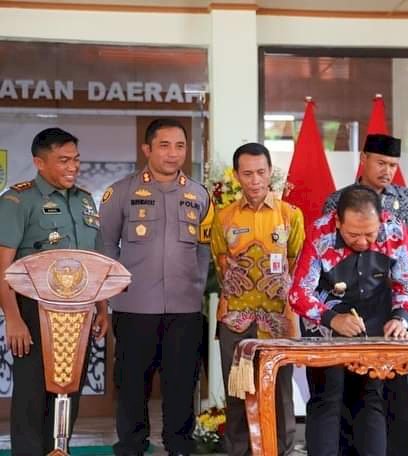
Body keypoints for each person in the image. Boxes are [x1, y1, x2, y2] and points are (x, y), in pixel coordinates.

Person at [97, 118, 213, 456]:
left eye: (179, 146)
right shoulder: (121, 192)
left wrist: (194, 289)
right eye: (164, 145)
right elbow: (106, 246)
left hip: (185, 310)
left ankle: (179, 447)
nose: (173, 153)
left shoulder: (199, 194)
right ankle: (132, 447)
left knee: (181, 387)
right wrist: (117, 292)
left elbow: (203, 251)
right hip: (134, 309)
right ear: (147, 149)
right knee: (132, 387)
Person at [0, 127, 108, 455]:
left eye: (75, 159)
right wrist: (13, 319)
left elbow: (94, 261)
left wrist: (103, 309)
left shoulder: (86, 201)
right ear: (39, 162)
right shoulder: (18, 200)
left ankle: (58, 450)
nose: (72, 167)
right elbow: (4, 268)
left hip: (79, 314)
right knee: (32, 398)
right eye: (63, 160)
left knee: (68, 394)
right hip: (33, 314)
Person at [290, 184, 408, 456]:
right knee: (327, 398)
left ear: (381, 219)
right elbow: (299, 292)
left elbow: (406, 282)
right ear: (337, 221)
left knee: (370, 397)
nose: (362, 242)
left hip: (373, 318)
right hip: (326, 321)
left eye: (370, 234)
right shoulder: (319, 232)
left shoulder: (394, 230)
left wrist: (400, 317)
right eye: (353, 234)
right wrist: (332, 319)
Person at [323, 133, 408, 456]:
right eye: (381, 163)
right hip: (351, 309)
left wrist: (402, 310)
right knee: (353, 390)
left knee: (394, 391)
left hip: (393, 309)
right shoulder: (338, 201)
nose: (387, 171)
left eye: (393, 165)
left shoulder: (406, 200)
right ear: (363, 159)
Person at [210, 142, 304, 456]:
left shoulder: (290, 215)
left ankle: (282, 450)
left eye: (260, 172)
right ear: (236, 176)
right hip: (236, 320)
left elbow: (297, 264)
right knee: (238, 395)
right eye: (247, 174)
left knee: (280, 394)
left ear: (270, 173)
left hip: (278, 320)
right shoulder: (223, 217)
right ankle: (239, 451)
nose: (254, 180)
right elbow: (220, 265)